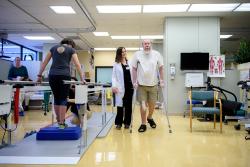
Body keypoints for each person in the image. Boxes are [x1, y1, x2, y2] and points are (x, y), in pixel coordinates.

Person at [37, 38, 84, 129]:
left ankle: (59, 122)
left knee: (57, 98)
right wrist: (82, 78)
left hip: (52, 75)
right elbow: (77, 65)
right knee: (63, 98)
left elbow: (44, 63)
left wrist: (39, 76)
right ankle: (62, 123)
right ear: (71, 44)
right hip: (64, 76)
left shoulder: (53, 48)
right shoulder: (71, 49)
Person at [131, 39, 164, 133]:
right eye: (145, 44)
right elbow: (134, 68)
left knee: (152, 105)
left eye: (148, 43)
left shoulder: (156, 54)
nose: (147, 45)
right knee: (143, 106)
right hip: (141, 85)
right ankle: (143, 123)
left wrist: (161, 80)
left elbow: (161, 68)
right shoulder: (137, 54)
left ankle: (150, 117)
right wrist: (134, 81)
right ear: (142, 45)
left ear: (151, 44)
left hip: (153, 84)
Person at [112, 47, 134, 130]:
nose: (124, 53)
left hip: (129, 88)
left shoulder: (130, 63)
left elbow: (133, 74)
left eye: (125, 51)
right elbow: (114, 77)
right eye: (122, 52)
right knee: (120, 106)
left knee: (128, 106)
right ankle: (118, 123)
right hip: (120, 88)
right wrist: (114, 86)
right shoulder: (116, 64)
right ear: (119, 54)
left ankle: (127, 123)